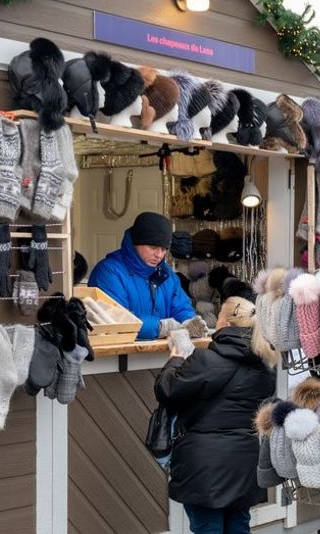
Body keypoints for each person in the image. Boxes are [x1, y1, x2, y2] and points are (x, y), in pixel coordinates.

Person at [155, 295, 277, 534]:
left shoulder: (205, 360)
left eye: (219, 318)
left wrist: (175, 361)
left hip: (205, 463)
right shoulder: (265, 365)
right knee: (239, 525)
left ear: (227, 325)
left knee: (206, 528)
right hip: (245, 460)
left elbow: (167, 391)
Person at [88, 212, 201, 340]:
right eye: (153, 247)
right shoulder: (108, 272)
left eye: (164, 249)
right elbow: (113, 319)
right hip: (118, 357)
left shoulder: (166, 273)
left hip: (161, 354)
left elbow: (181, 307)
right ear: (136, 243)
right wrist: (158, 327)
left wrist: (189, 321)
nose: (159, 255)